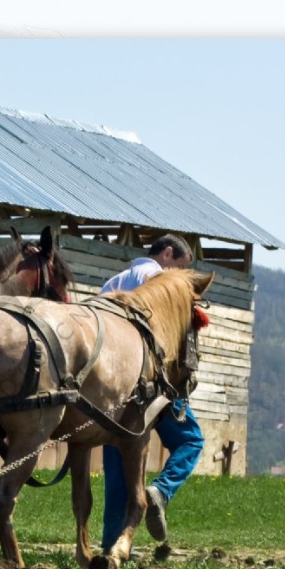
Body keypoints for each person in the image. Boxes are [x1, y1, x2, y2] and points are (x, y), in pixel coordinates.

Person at [98, 235, 204, 552]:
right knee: (190, 439)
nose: (180, 277)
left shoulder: (112, 282)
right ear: (167, 254)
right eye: (180, 268)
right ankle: (160, 490)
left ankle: (110, 547)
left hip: (111, 388)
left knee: (118, 464)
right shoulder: (160, 283)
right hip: (152, 385)